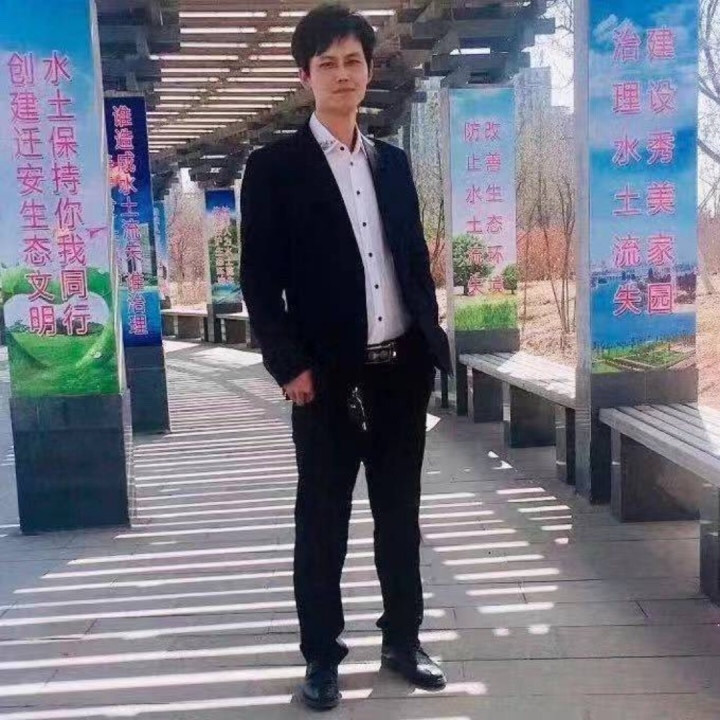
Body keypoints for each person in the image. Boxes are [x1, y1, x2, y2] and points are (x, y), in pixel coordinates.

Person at [240, 3, 452, 711]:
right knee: (323, 523)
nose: (342, 74)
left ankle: (404, 640)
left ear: (368, 70)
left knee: (400, 516)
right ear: (305, 76)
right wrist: (289, 366)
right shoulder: (274, 169)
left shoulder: (393, 163)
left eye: (352, 61)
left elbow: (412, 261)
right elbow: (258, 281)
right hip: (325, 379)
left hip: (400, 370)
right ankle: (322, 658)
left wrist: (429, 341)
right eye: (326, 63)